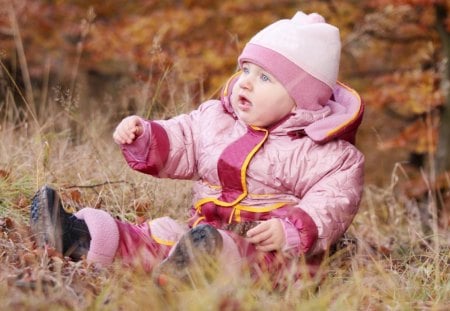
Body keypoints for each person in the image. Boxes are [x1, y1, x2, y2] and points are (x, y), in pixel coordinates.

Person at [30, 11, 364, 286]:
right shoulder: (216, 119)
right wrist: (144, 136)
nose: (245, 81)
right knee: (163, 235)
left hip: (274, 256)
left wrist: (290, 231)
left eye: (265, 78)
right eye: (245, 69)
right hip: (205, 234)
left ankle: (191, 272)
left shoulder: (327, 153)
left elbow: (332, 203)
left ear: (302, 99)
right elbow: (182, 139)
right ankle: (79, 236)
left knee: (239, 258)